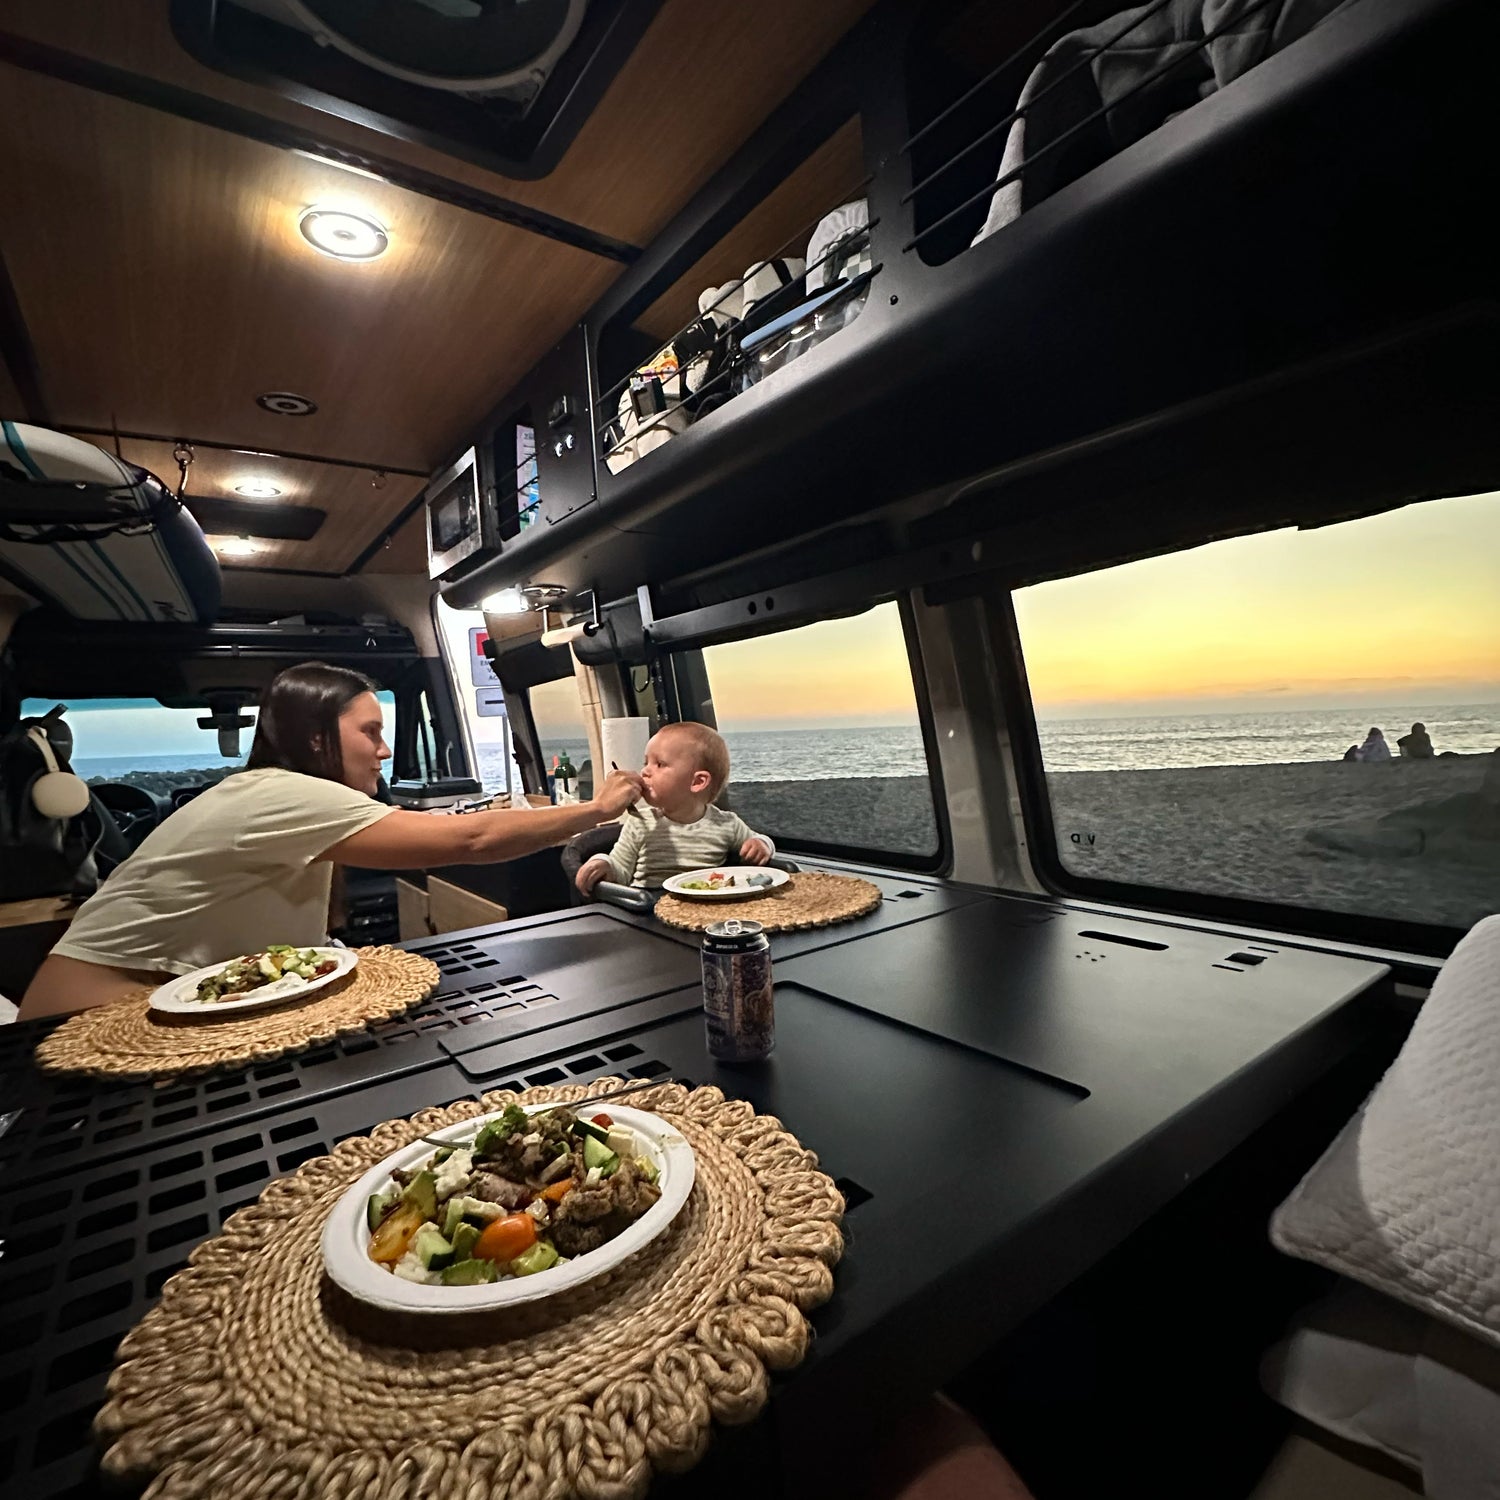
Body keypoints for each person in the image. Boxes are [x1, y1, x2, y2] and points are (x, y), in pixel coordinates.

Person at [19, 663, 642, 1021]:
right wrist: (597, 808)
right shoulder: (281, 794)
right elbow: (473, 838)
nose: (385, 749)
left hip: (152, 1002)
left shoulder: (273, 792)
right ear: (319, 740)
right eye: (369, 731)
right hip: (96, 1016)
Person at [574, 721, 773, 896]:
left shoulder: (727, 824)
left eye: (659, 764)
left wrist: (761, 844)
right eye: (646, 763)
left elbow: (759, 840)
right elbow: (620, 869)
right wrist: (602, 863)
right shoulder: (640, 823)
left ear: (697, 782)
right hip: (647, 910)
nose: (645, 771)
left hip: (703, 906)